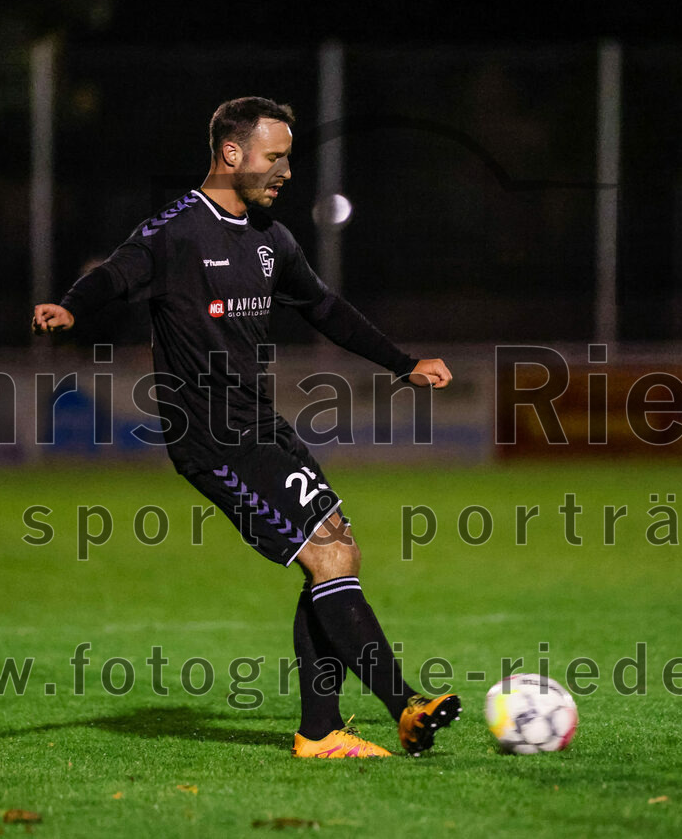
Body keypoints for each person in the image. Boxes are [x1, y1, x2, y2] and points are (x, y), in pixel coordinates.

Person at [32, 97, 461, 758]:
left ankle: (321, 732)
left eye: (288, 157)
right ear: (232, 154)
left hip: (260, 426)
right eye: (275, 156)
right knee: (327, 554)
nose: (286, 171)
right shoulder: (176, 232)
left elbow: (325, 308)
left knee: (337, 556)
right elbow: (116, 275)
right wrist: (69, 308)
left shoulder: (270, 239)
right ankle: (403, 704)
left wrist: (403, 364)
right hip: (212, 437)